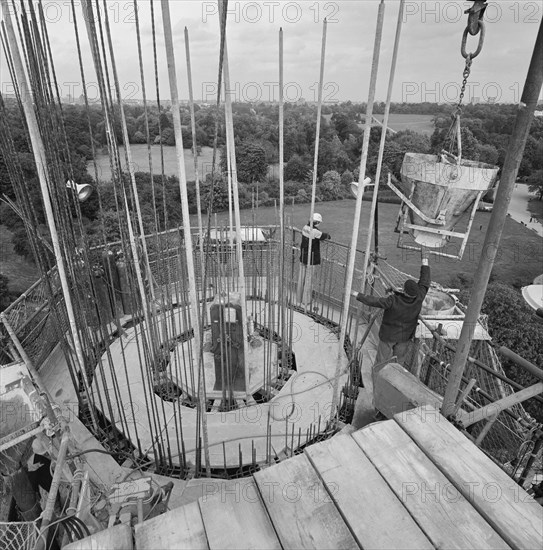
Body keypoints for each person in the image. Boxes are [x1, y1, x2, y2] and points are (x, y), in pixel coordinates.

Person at [351, 250, 430, 369]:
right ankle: (393, 382)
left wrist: (356, 294)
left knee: (381, 362)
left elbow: (374, 301)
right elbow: (425, 280)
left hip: (388, 337)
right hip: (404, 337)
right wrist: (425, 260)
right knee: (399, 364)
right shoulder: (420, 296)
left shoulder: (393, 300)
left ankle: (377, 382)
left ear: (404, 290)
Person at [297, 213, 331, 305]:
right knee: (308, 280)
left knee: (301, 278)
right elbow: (326, 236)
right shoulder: (315, 231)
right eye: (319, 222)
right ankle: (306, 300)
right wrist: (328, 236)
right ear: (317, 222)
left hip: (303, 256)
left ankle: (299, 298)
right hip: (310, 259)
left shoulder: (304, 227)